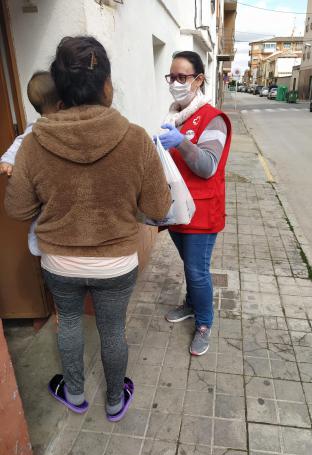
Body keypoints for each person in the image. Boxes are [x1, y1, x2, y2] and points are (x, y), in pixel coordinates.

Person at [5, 36, 171, 421]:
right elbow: (159, 208)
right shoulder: (135, 138)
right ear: (107, 86)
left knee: (70, 324)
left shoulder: (33, 143)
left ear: (60, 89)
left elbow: (17, 208)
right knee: (113, 330)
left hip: (59, 263)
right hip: (116, 263)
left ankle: (75, 394)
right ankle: (115, 400)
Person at [158, 51, 232, 356]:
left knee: (197, 270)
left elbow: (207, 166)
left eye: (182, 77)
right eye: (171, 77)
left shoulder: (213, 119)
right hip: (178, 210)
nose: (176, 83)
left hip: (202, 214)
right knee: (189, 266)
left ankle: (204, 323)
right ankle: (191, 304)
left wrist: (181, 143)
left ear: (199, 79)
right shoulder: (173, 116)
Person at [0, 71, 61, 255]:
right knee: (45, 211)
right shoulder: (35, 129)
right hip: (47, 187)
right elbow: (19, 142)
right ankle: (39, 240)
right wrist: (8, 160)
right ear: (61, 103)